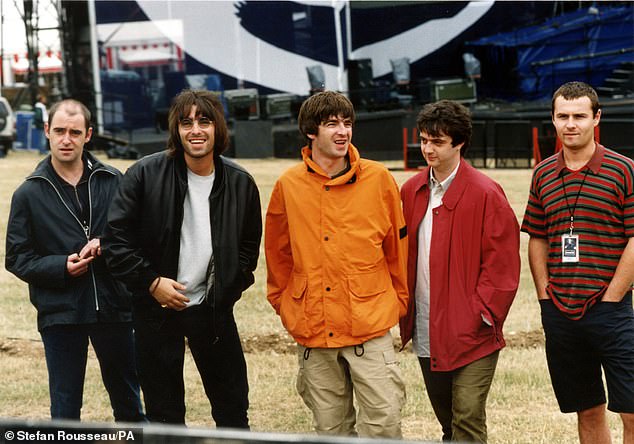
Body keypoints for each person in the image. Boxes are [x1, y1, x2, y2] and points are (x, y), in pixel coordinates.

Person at [102, 89, 262, 427]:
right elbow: (116, 241)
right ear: (176, 130)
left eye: (204, 121)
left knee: (233, 411)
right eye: (186, 123)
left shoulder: (241, 183)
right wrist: (152, 282)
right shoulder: (143, 175)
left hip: (213, 311)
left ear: (218, 127)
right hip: (156, 310)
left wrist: (227, 288)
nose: (196, 130)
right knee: (164, 416)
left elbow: (248, 248)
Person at [265, 90, 408, 438]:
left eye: (347, 123)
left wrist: (397, 303)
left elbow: (397, 251)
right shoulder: (288, 186)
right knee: (331, 431)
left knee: (384, 425)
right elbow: (277, 258)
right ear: (311, 132)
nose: (343, 131)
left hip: (370, 327)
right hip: (314, 331)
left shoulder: (379, 179)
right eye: (332, 124)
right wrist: (289, 308)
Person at [5, 99, 145, 422]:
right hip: (61, 314)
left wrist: (107, 244)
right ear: (47, 132)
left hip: (114, 307)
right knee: (66, 411)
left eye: (74, 132)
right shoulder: (28, 193)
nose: (66, 139)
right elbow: (17, 258)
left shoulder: (113, 180)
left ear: (88, 134)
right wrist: (61, 268)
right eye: (59, 131)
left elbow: (137, 236)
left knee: (129, 403)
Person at [400, 100, 520, 443]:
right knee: (448, 424)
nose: (428, 149)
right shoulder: (410, 191)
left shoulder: (486, 193)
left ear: (459, 143)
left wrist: (482, 314)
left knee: (467, 417)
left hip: (474, 332)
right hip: (425, 328)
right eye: (424, 140)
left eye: (437, 142)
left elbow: (503, 265)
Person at [522, 81, 634, 444]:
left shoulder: (624, 170)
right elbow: (537, 237)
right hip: (560, 311)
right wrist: (544, 298)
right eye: (563, 117)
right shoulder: (542, 174)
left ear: (596, 118)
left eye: (579, 116)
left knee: (631, 409)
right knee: (586, 409)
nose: (571, 124)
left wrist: (613, 296)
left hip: (611, 310)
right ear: (553, 120)